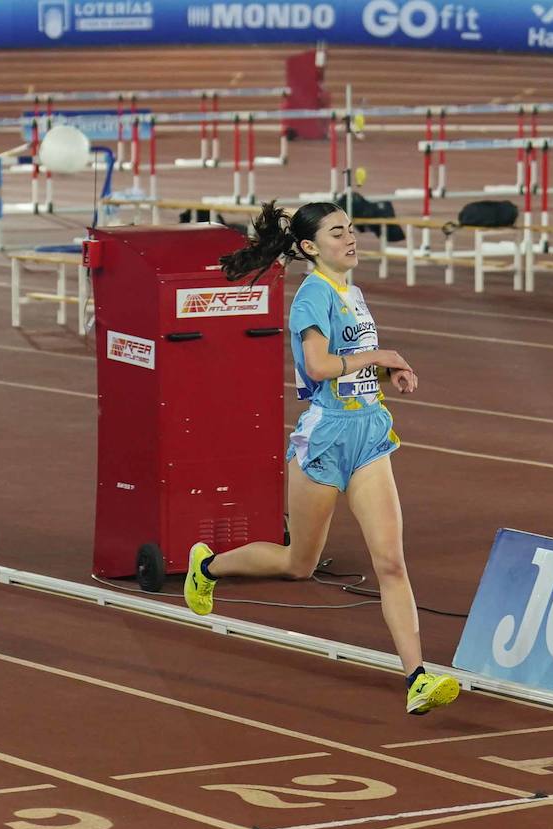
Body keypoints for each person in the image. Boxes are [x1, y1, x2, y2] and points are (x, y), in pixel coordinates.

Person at [182, 200, 460, 716]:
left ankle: (417, 677)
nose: (351, 238)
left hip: (369, 434)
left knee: (391, 562)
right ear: (311, 247)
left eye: (351, 229)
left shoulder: (352, 294)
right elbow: (317, 364)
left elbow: (351, 368)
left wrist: (385, 376)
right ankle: (209, 568)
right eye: (338, 232)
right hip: (326, 438)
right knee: (298, 563)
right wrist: (378, 356)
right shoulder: (312, 296)